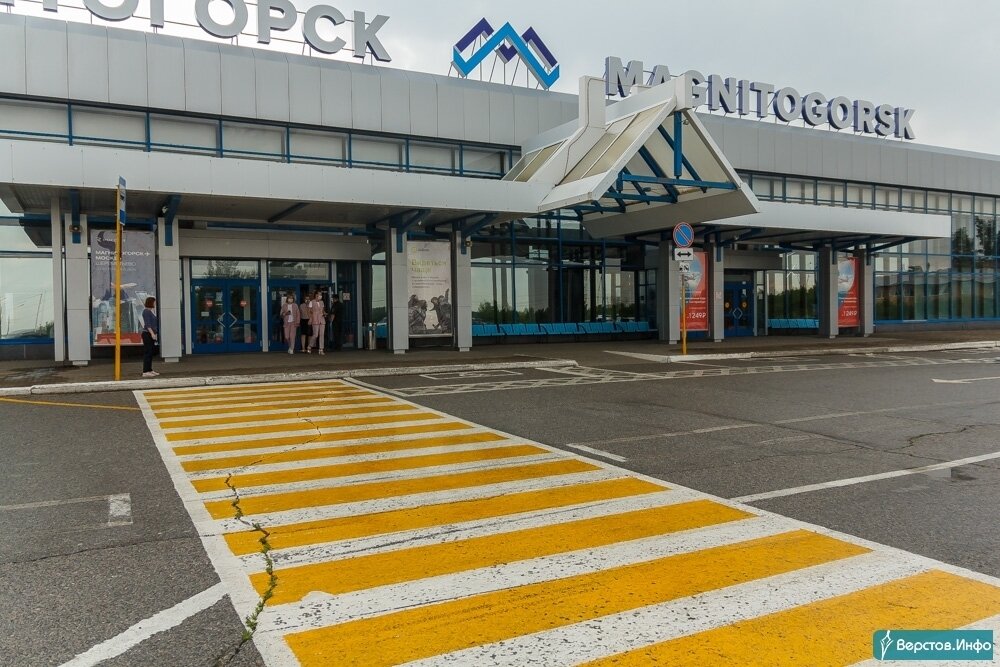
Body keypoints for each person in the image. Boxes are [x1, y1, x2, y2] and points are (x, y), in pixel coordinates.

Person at [141, 296, 159, 378]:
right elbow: (148, 324)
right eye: (154, 302)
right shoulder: (146, 312)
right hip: (147, 334)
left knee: (150, 352)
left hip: (150, 334)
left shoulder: (150, 311)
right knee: (148, 352)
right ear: (151, 303)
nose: (155, 304)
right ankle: (145, 371)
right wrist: (152, 334)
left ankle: (150, 369)